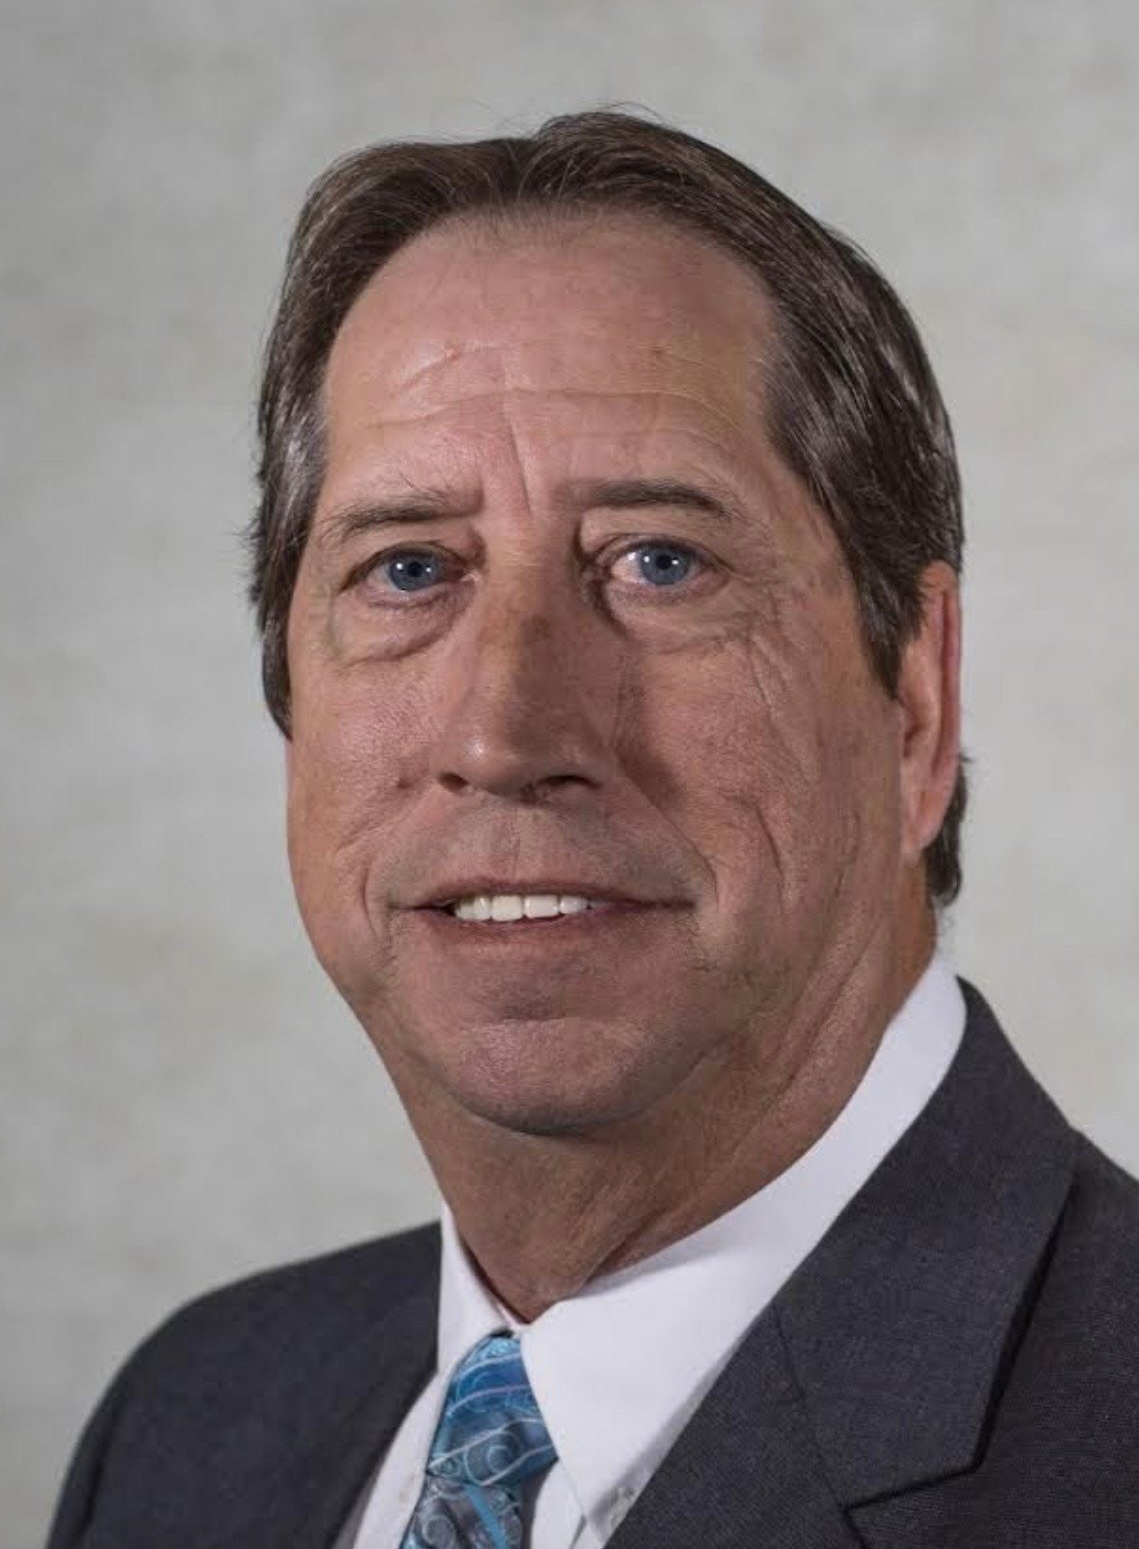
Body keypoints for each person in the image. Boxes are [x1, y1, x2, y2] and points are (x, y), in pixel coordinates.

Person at [46, 111, 1139, 1549]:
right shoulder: (191, 1429)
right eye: (410, 569)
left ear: (914, 702)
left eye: (659, 562)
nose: (505, 733)